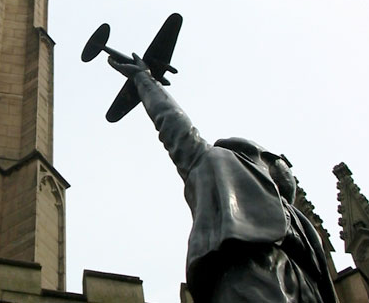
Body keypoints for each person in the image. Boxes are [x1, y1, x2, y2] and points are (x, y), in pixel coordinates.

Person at [108, 54, 338, 302]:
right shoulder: (220, 164)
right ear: (258, 160)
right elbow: (178, 130)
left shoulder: (298, 220)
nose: (288, 169)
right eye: (280, 160)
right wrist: (145, 80)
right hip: (254, 280)